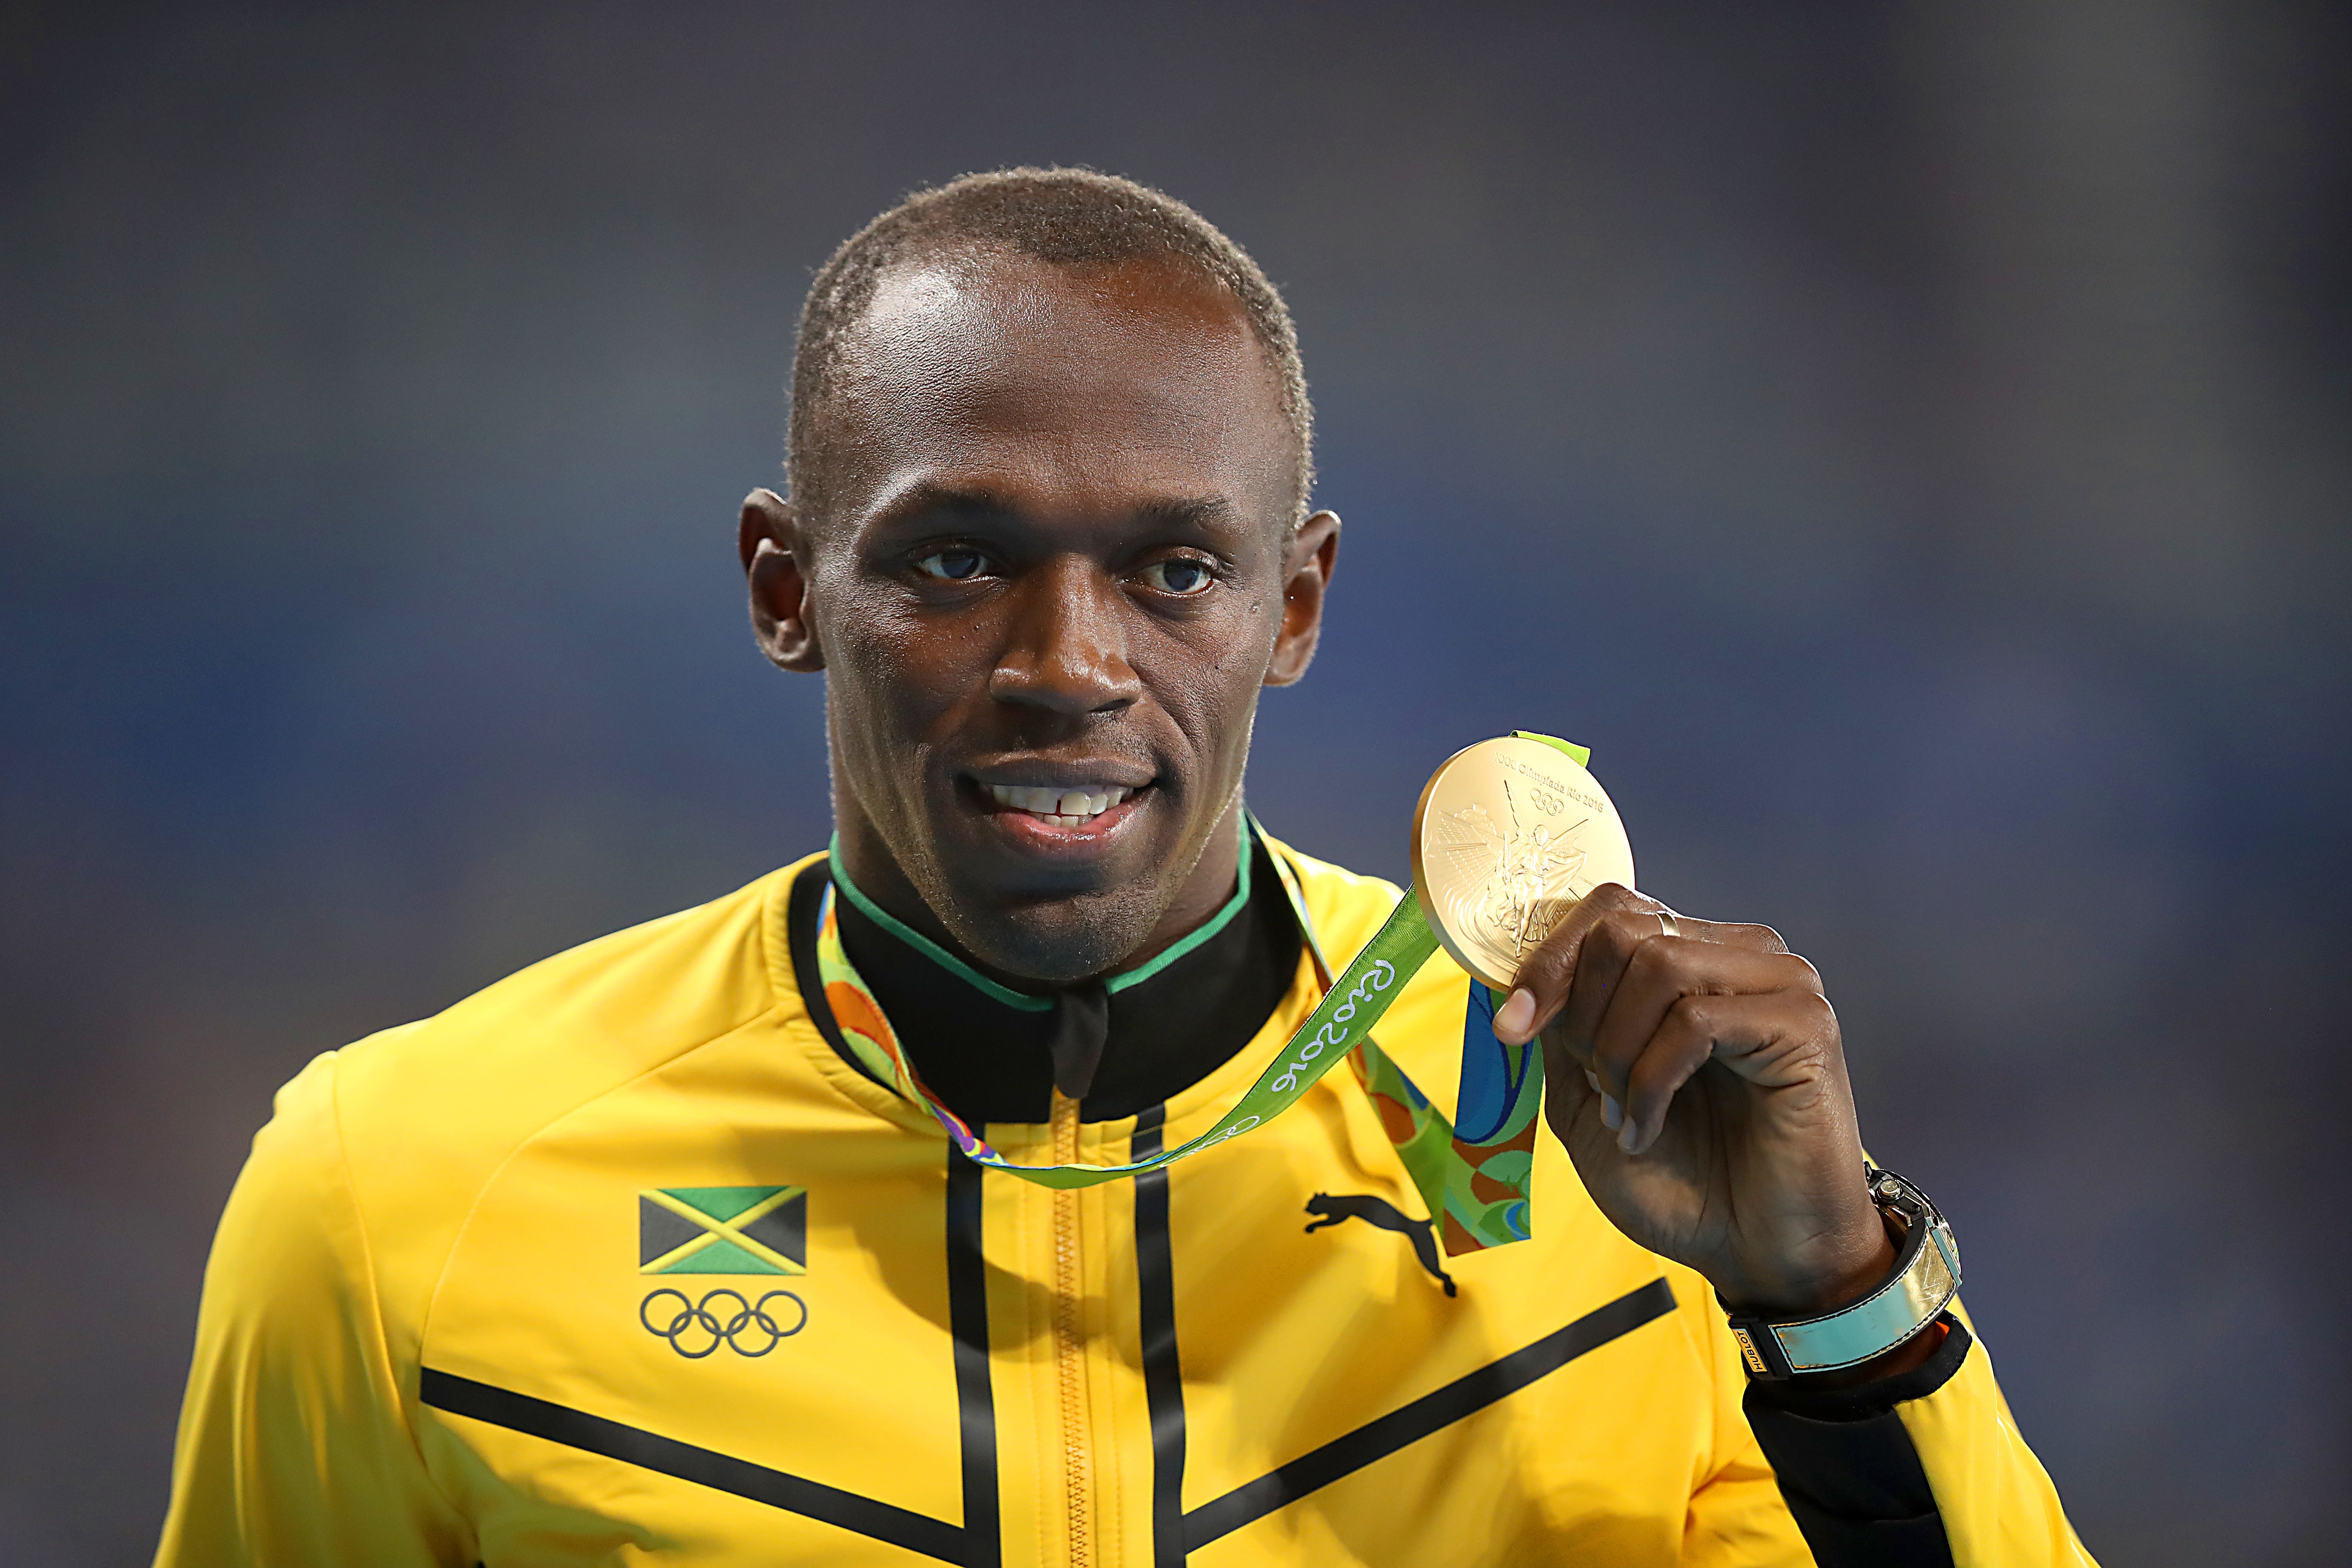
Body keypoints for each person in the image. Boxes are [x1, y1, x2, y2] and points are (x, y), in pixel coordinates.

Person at [155, 168, 2094, 1567]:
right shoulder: (398, 1197)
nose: (1069, 664)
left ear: (1296, 603)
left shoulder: (1627, 1146)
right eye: (954, 558)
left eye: (1174, 569)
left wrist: (1835, 1310)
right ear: (784, 589)